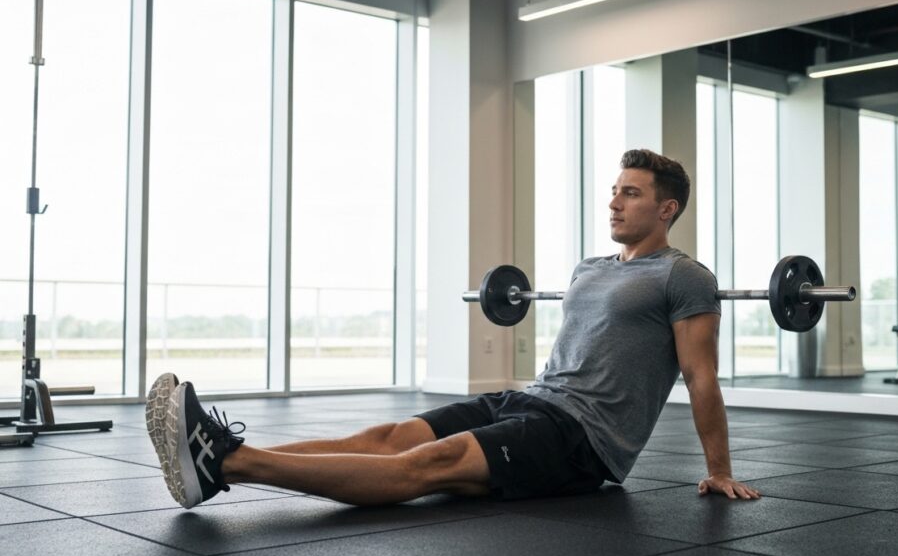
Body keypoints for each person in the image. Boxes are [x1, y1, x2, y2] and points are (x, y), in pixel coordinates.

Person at [145, 148, 761, 509]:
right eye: (613, 192)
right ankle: (219, 458)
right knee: (388, 434)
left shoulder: (685, 277)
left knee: (426, 464)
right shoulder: (590, 266)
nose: (614, 203)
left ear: (667, 208)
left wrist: (720, 468)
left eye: (630, 194)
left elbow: (699, 376)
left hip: (582, 440)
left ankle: (225, 464)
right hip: (530, 398)